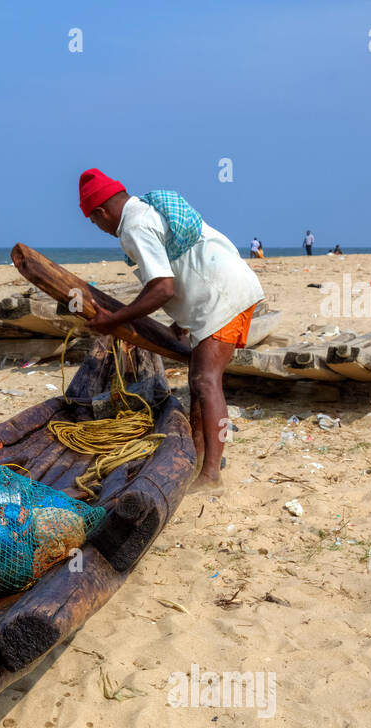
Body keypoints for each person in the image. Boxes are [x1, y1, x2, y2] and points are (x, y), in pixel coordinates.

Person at [78, 169, 264, 491]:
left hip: (223, 296)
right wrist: (181, 317)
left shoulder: (134, 226)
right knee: (199, 380)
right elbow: (183, 262)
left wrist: (115, 319)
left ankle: (211, 475)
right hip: (226, 287)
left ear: (101, 212)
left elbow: (162, 287)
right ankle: (204, 456)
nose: (99, 229)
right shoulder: (147, 211)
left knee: (206, 382)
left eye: (95, 223)